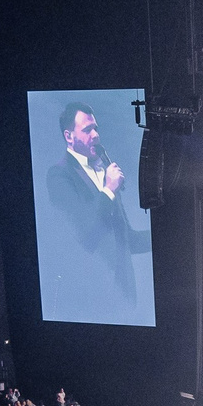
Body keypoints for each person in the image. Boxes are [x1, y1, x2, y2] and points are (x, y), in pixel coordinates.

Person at [38, 98, 153, 317]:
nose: (96, 135)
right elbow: (84, 236)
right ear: (68, 136)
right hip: (93, 303)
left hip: (126, 300)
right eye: (88, 129)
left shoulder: (102, 173)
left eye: (96, 129)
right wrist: (108, 190)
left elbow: (127, 239)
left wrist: (162, 236)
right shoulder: (59, 176)